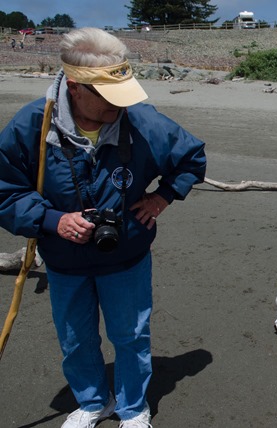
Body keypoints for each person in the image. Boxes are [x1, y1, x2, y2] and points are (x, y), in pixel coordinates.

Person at [0, 28, 207, 426]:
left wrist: (162, 197)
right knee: (75, 340)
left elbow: (192, 158)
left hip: (126, 257)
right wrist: (52, 220)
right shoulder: (32, 125)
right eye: (109, 96)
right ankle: (94, 402)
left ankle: (133, 407)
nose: (120, 105)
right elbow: (5, 190)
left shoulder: (142, 121)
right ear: (75, 87)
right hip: (63, 261)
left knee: (131, 337)